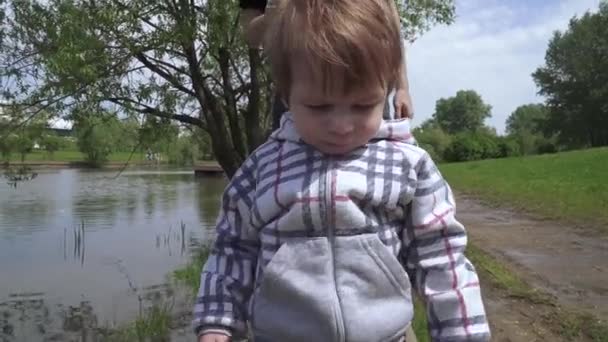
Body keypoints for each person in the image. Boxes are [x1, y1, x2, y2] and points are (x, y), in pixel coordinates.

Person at [193, 0, 491, 341]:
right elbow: (232, 249)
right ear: (285, 94)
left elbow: (441, 258)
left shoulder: (408, 165)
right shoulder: (261, 169)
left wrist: (461, 333)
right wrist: (217, 321)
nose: (341, 126)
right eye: (319, 106)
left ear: (384, 92)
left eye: (363, 105)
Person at [239, 0, 414, 128]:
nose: (341, 128)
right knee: (290, 167)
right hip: (305, 89)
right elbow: (251, 36)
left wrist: (402, 88)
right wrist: (274, 14)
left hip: (365, 86)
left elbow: (389, 27)